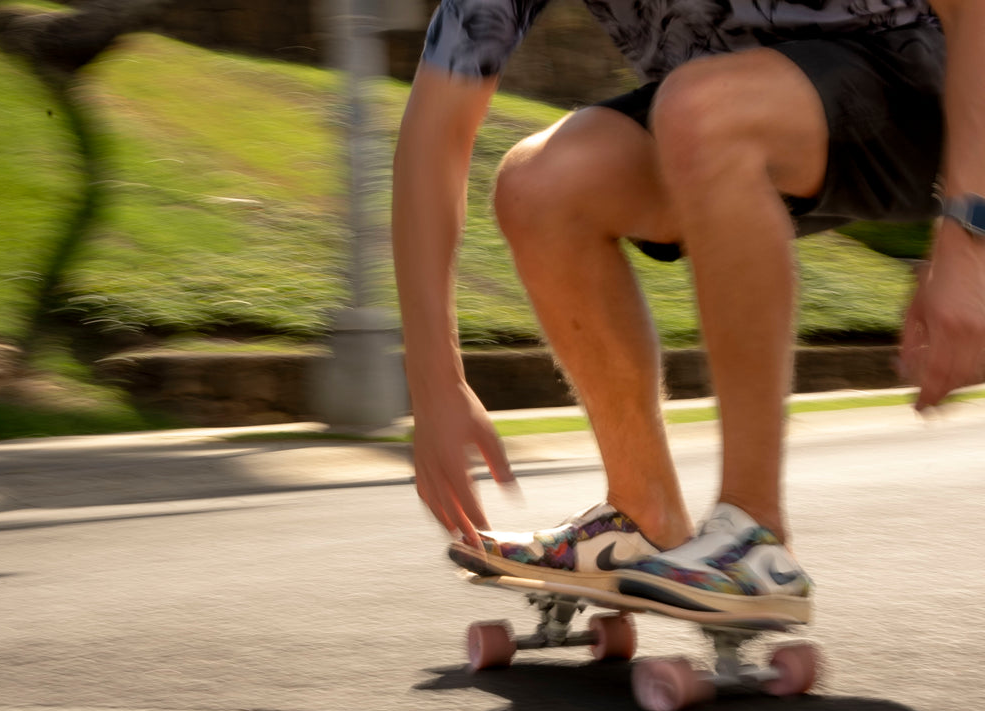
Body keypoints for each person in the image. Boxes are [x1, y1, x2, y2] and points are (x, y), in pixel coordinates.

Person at [392, 0, 985, 624]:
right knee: (540, 185)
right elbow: (434, 136)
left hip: (931, 83)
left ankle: (755, 536)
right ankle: (640, 517)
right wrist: (436, 384)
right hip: (742, 111)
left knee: (700, 107)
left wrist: (968, 239)